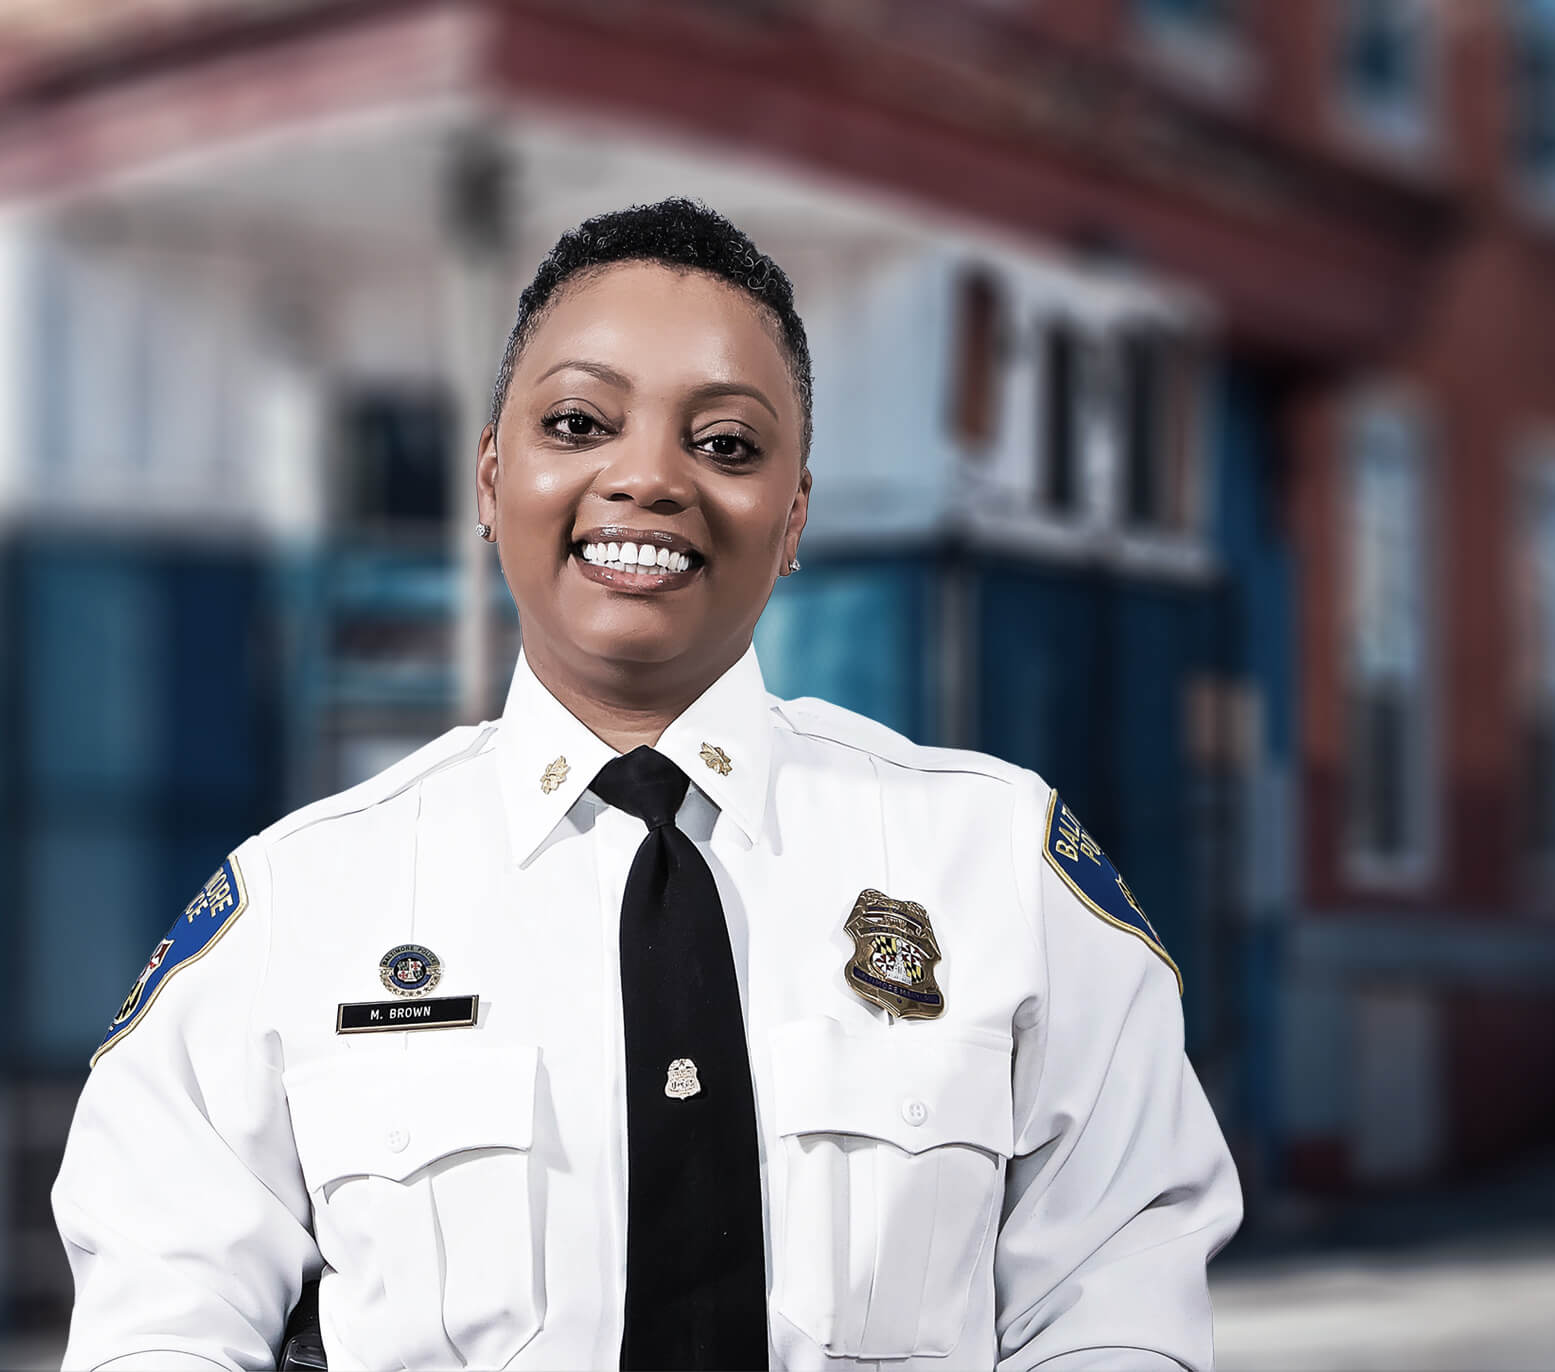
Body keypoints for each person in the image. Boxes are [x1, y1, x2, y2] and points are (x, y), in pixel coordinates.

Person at [52, 196, 1243, 1371]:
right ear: (488, 479)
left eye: (724, 443)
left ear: (792, 518)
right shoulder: (298, 908)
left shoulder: (998, 868)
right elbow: (160, 1319)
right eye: (577, 422)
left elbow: (1117, 1293)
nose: (648, 479)